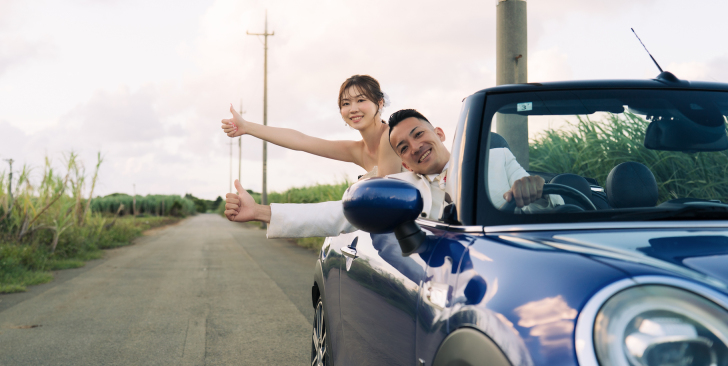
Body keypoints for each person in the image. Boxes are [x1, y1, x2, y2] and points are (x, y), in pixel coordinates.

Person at [225, 109, 557, 238]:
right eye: (402, 148)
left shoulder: (496, 158)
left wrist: (537, 194)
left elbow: (551, 207)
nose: (414, 147)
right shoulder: (402, 188)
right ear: (405, 163)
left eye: (418, 134)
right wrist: (259, 212)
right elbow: (336, 215)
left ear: (439, 133)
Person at [221, 75, 403, 178]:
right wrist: (246, 127)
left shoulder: (394, 137)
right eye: (346, 103)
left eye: (361, 100)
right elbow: (301, 141)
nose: (353, 109)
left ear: (379, 103)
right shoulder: (357, 150)